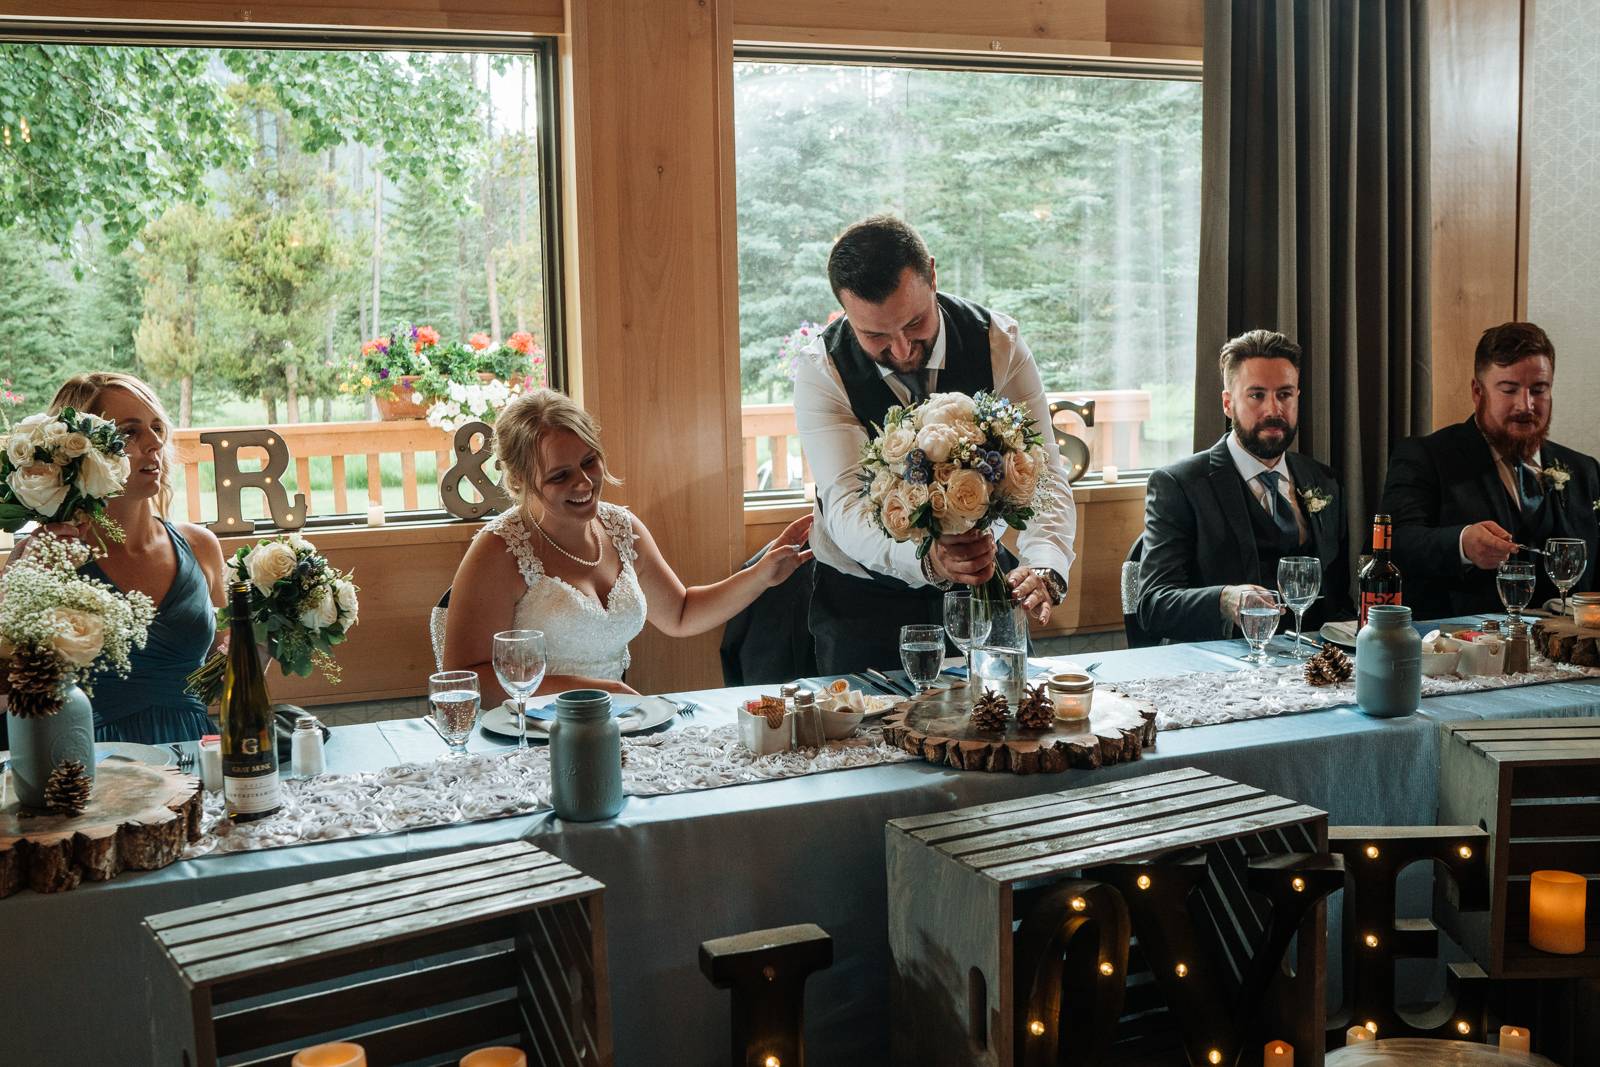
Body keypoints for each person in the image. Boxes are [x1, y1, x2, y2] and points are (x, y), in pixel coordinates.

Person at [793, 215, 1077, 674]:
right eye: (876, 336)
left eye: (915, 323)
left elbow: (1042, 471)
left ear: (932, 274)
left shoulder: (998, 343)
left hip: (983, 579)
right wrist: (929, 560)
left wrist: (1044, 562)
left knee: (999, 727)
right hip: (863, 597)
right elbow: (846, 505)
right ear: (844, 311)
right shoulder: (821, 371)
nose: (903, 350)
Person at [443, 388, 812, 701]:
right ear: (521, 480)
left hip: (614, 722)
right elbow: (464, 680)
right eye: (560, 475)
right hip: (524, 737)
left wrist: (762, 575)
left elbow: (681, 613)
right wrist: (589, 691)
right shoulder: (499, 551)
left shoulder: (622, 527)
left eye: (590, 462)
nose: (584, 483)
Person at [1, 373, 227, 743]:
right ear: (77, 453)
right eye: (129, 433)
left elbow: (217, 684)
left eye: (157, 428)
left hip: (195, 754)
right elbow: (9, 692)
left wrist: (270, 633)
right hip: (93, 766)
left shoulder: (200, 545)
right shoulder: (46, 558)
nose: (153, 442)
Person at [1137, 330, 1352, 643]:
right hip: (1223, 667)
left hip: (1316, 667)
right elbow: (1153, 605)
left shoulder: (1325, 480)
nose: (1273, 410)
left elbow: (1338, 601)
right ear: (1227, 404)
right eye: (1257, 395)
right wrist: (1225, 599)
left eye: (1284, 394)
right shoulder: (1178, 485)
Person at [1379, 322, 1599, 620]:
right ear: (1477, 391)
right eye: (1509, 389)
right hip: (1464, 650)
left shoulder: (1584, 469)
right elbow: (1395, 544)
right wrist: (1462, 544)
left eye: (1539, 389)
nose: (1527, 405)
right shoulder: (1425, 456)